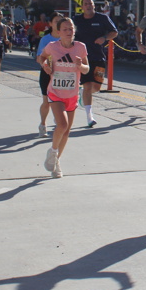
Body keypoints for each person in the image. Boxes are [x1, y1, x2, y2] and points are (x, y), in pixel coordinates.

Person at [37, 17, 89, 178]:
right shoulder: (52, 47)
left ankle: (56, 161)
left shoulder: (80, 47)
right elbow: (41, 57)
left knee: (66, 131)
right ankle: (53, 151)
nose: (69, 32)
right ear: (58, 32)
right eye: (65, 29)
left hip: (72, 94)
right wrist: (45, 65)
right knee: (62, 124)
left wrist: (80, 65)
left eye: (71, 29)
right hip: (56, 92)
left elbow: (86, 69)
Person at [73, 0, 118, 128]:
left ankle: (84, 95)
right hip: (83, 59)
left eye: (90, 4)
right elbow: (68, 33)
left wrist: (104, 38)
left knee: (96, 87)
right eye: (86, 4)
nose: (88, 6)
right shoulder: (76, 20)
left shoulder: (102, 18)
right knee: (87, 86)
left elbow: (114, 32)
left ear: (94, 6)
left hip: (98, 57)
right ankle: (90, 117)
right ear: (82, 7)